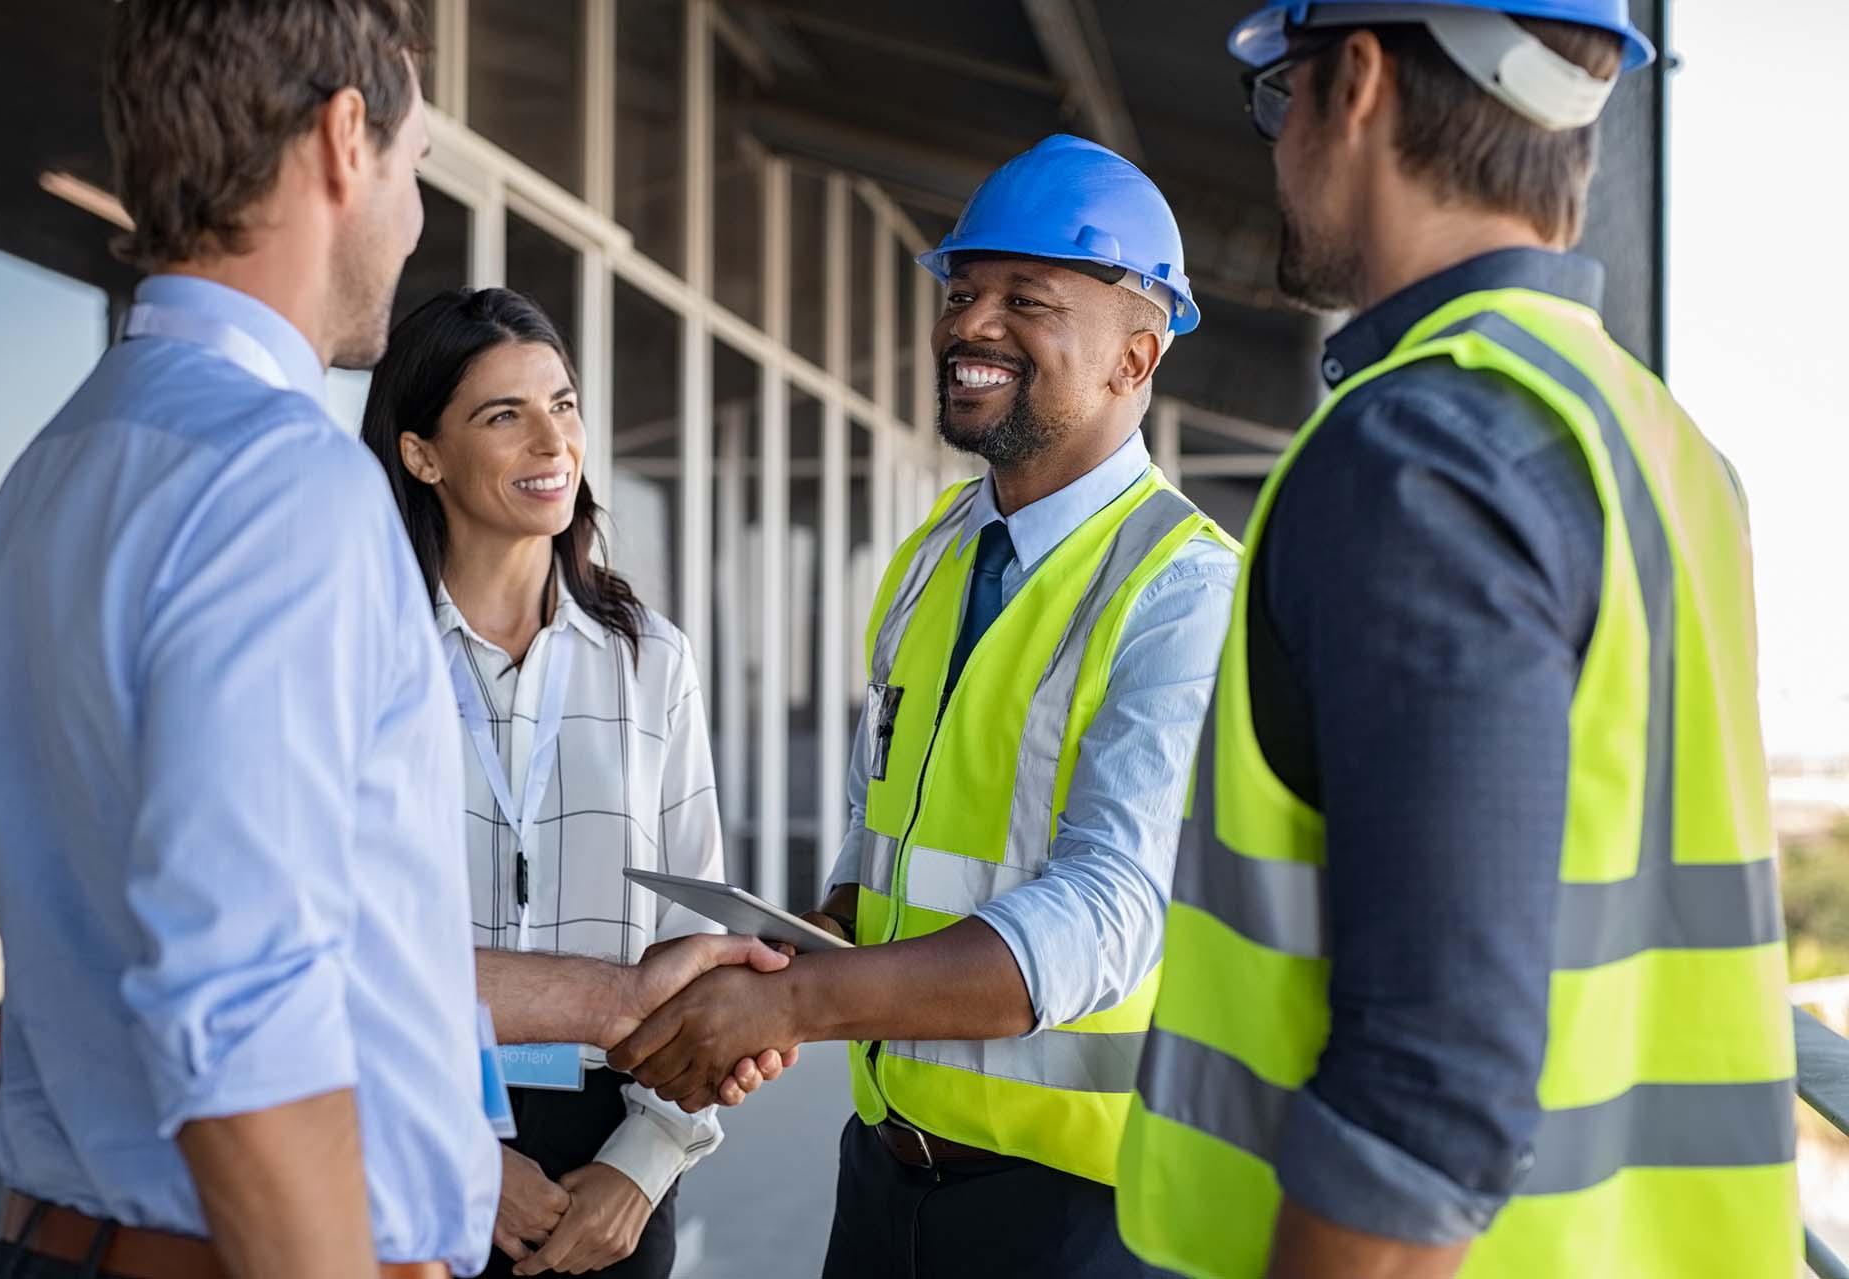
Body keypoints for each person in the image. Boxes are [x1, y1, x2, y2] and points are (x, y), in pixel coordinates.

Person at [0, 6, 782, 1279]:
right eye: (416, 163)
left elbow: (332, 947)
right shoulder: (279, 484)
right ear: (349, 139)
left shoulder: (55, 469)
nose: (410, 211)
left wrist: (618, 1007)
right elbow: (247, 1012)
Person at [1116, 3, 1799, 1278]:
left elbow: (1426, 1103)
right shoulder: (1664, 446)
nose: (1276, 152)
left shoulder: (1421, 453)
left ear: (1359, 80)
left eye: (1283, 99)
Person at [607, 134, 1243, 1278]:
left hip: (1084, 1221)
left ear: (1135, 355)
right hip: (886, 1180)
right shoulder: (937, 554)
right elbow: (883, 838)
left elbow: (1105, 917)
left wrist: (801, 1005)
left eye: (1026, 300)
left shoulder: (1185, 592)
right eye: (963, 291)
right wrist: (795, 953)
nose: (970, 325)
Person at [360, 288, 748, 1279]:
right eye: (505, 415)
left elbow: (693, 935)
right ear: (421, 454)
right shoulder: (364, 655)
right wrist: (460, 1155)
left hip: (610, 1143)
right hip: (405, 1132)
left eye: (563, 404)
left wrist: (645, 1161)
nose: (552, 440)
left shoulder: (649, 656)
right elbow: (340, 940)